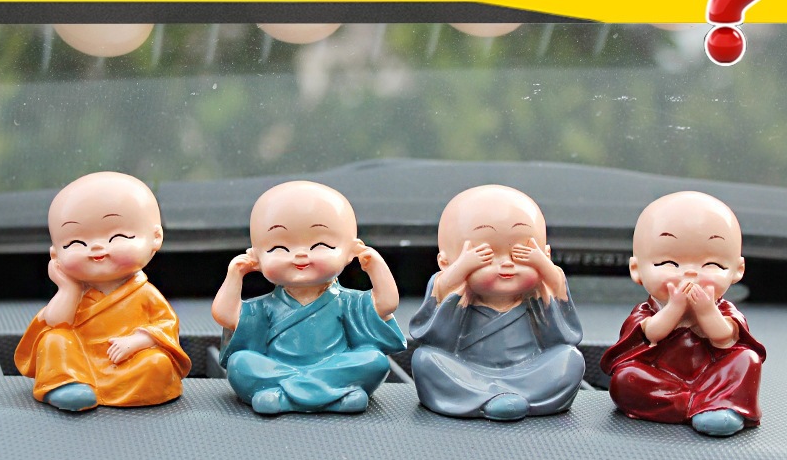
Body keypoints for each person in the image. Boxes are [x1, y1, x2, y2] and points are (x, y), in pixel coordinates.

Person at [212, 180, 406, 414]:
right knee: (240, 362)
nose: (301, 255)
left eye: (320, 244)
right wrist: (235, 274)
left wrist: (376, 267)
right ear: (256, 257)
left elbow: (386, 305)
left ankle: (284, 396)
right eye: (279, 248)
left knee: (374, 359)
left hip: (327, 366)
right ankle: (334, 395)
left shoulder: (345, 301)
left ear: (350, 252)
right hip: (282, 367)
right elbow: (226, 316)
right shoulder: (266, 307)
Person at [14, 172, 191, 411]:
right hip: (78, 361)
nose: (96, 247)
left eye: (118, 236)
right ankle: (66, 384)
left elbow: (166, 324)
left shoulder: (144, 293)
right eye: (75, 243)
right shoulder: (76, 292)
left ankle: (115, 389)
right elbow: (57, 322)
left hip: (126, 360)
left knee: (158, 362)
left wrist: (137, 341)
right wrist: (68, 289)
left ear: (155, 237)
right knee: (54, 339)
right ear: (55, 253)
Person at [409, 185, 584, 421]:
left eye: (520, 254)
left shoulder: (539, 293)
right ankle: (491, 398)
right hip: (467, 372)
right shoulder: (453, 292)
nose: (506, 264)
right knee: (426, 359)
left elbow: (562, 337)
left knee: (569, 358)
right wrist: (461, 270)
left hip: (529, 372)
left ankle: (503, 398)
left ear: (546, 255)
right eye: (486, 255)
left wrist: (545, 269)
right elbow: (435, 338)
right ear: (445, 262)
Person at [600, 191, 765, 436]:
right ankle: (701, 404)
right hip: (661, 378)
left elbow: (724, 337)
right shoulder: (646, 312)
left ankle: (715, 403)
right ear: (636, 269)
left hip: (712, 376)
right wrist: (674, 309)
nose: (690, 273)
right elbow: (652, 333)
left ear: (737, 270)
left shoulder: (724, 310)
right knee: (626, 378)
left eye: (712, 264)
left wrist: (706, 311)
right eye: (668, 263)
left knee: (746, 359)